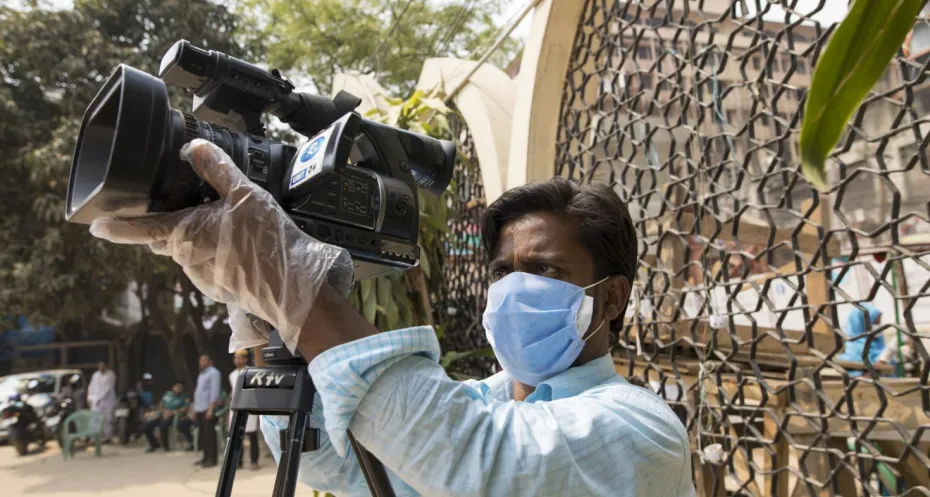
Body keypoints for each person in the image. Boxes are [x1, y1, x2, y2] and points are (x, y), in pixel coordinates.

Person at [90, 140, 693, 496]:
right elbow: (331, 460)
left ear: (610, 299)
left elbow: (480, 463)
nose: (515, 290)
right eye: (504, 271)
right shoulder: (481, 401)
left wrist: (300, 292)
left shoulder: (640, 429)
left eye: (545, 271)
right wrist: (262, 305)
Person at [228, 350, 260, 470]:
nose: (237, 360)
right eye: (235, 358)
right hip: (236, 408)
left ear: (245, 359)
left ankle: (254, 461)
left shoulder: (251, 372)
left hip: (249, 407)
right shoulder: (231, 375)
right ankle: (238, 461)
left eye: (240, 358)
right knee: (237, 436)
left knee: (252, 436)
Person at [144, 381, 194, 452]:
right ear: (173, 387)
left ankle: (166, 447)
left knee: (162, 426)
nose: (178, 389)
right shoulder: (167, 395)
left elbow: (185, 408)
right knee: (146, 427)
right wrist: (164, 411)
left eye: (180, 387)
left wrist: (173, 412)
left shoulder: (184, 397)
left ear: (182, 389)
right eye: (176, 387)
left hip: (174, 416)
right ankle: (154, 445)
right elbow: (160, 405)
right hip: (163, 415)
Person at [193, 354, 222, 468]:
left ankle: (212, 459)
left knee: (209, 434)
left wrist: (211, 409)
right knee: (203, 435)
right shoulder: (202, 374)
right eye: (201, 360)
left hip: (208, 409)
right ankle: (205, 457)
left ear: (210, 361)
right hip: (200, 408)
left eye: (205, 360)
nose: (202, 362)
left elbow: (214, 392)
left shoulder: (214, 373)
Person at [87, 361, 117, 442]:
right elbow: (91, 387)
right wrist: (90, 398)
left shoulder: (110, 374)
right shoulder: (95, 375)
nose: (101, 368)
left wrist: (98, 398)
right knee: (94, 419)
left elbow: (108, 388)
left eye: (103, 366)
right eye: (100, 367)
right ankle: (94, 438)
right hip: (96, 401)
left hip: (107, 401)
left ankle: (108, 437)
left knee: (108, 419)